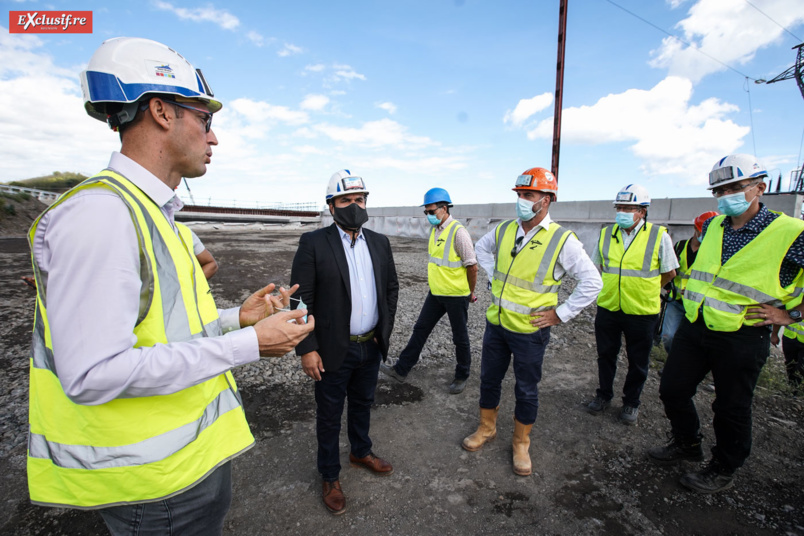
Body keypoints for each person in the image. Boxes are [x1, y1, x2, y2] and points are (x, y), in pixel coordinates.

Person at [27, 37, 314, 534]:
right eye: (205, 119)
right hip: (152, 488)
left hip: (182, 469)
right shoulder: (102, 214)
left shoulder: (155, 216)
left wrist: (236, 320)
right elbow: (93, 373)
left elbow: (164, 326)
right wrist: (247, 345)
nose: (214, 137)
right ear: (161, 111)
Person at [647, 154, 804, 494]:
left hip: (743, 335)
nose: (724, 196)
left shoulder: (791, 232)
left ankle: (723, 466)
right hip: (696, 324)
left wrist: (789, 315)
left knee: (731, 406)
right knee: (672, 389)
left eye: (734, 187)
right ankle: (688, 443)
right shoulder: (716, 225)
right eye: (719, 190)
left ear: (759, 188)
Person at [464, 167, 602, 476]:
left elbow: (592, 282)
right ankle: (487, 428)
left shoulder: (562, 240)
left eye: (529, 195)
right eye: (519, 195)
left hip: (530, 331)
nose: (522, 201)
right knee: (489, 379)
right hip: (497, 324)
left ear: (548, 200)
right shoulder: (503, 230)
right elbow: (481, 249)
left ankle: (520, 443)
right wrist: (493, 276)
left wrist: (560, 314)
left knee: (526, 389)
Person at [290, 170, 399, 515]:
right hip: (332, 350)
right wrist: (307, 348)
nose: (354, 206)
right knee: (329, 414)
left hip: (370, 346)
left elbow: (391, 289)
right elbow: (299, 299)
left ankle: (360, 451)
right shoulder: (314, 243)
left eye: (359, 199)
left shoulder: (379, 242)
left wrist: (384, 328)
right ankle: (329, 475)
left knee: (363, 403)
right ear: (332, 206)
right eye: (346, 200)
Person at [587, 184, 678, 425]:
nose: (622, 212)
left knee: (638, 360)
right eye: (619, 207)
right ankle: (603, 395)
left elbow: (669, 272)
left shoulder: (660, 235)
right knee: (606, 355)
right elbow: (600, 266)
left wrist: (646, 289)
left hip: (642, 310)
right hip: (608, 306)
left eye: (628, 207)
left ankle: (631, 402)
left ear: (642, 211)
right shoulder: (607, 233)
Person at [380, 187, 478, 394]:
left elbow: (472, 265)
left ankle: (462, 375)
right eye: (426, 212)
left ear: (444, 209)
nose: (428, 216)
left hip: (456, 295)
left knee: (459, 337)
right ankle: (401, 369)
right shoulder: (435, 230)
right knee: (420, 329)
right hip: (436, 293)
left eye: (431, 212)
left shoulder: (458, 232)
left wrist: (470, 291)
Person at [660, 211, 719, 354]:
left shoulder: (714, 254)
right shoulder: (680, 246)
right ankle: (673, 360)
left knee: (691, 340)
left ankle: (680, 366)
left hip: (699, 304)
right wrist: (667, 287)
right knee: (668, 336)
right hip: (676, 301)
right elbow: (668, 269)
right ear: (696, 229)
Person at [772, 321, 804, 395]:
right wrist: (774, 334)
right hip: (790, 338)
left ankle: (797, 393)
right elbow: (779, 315)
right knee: (790, 366)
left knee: (801, 368)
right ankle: (792, 391)